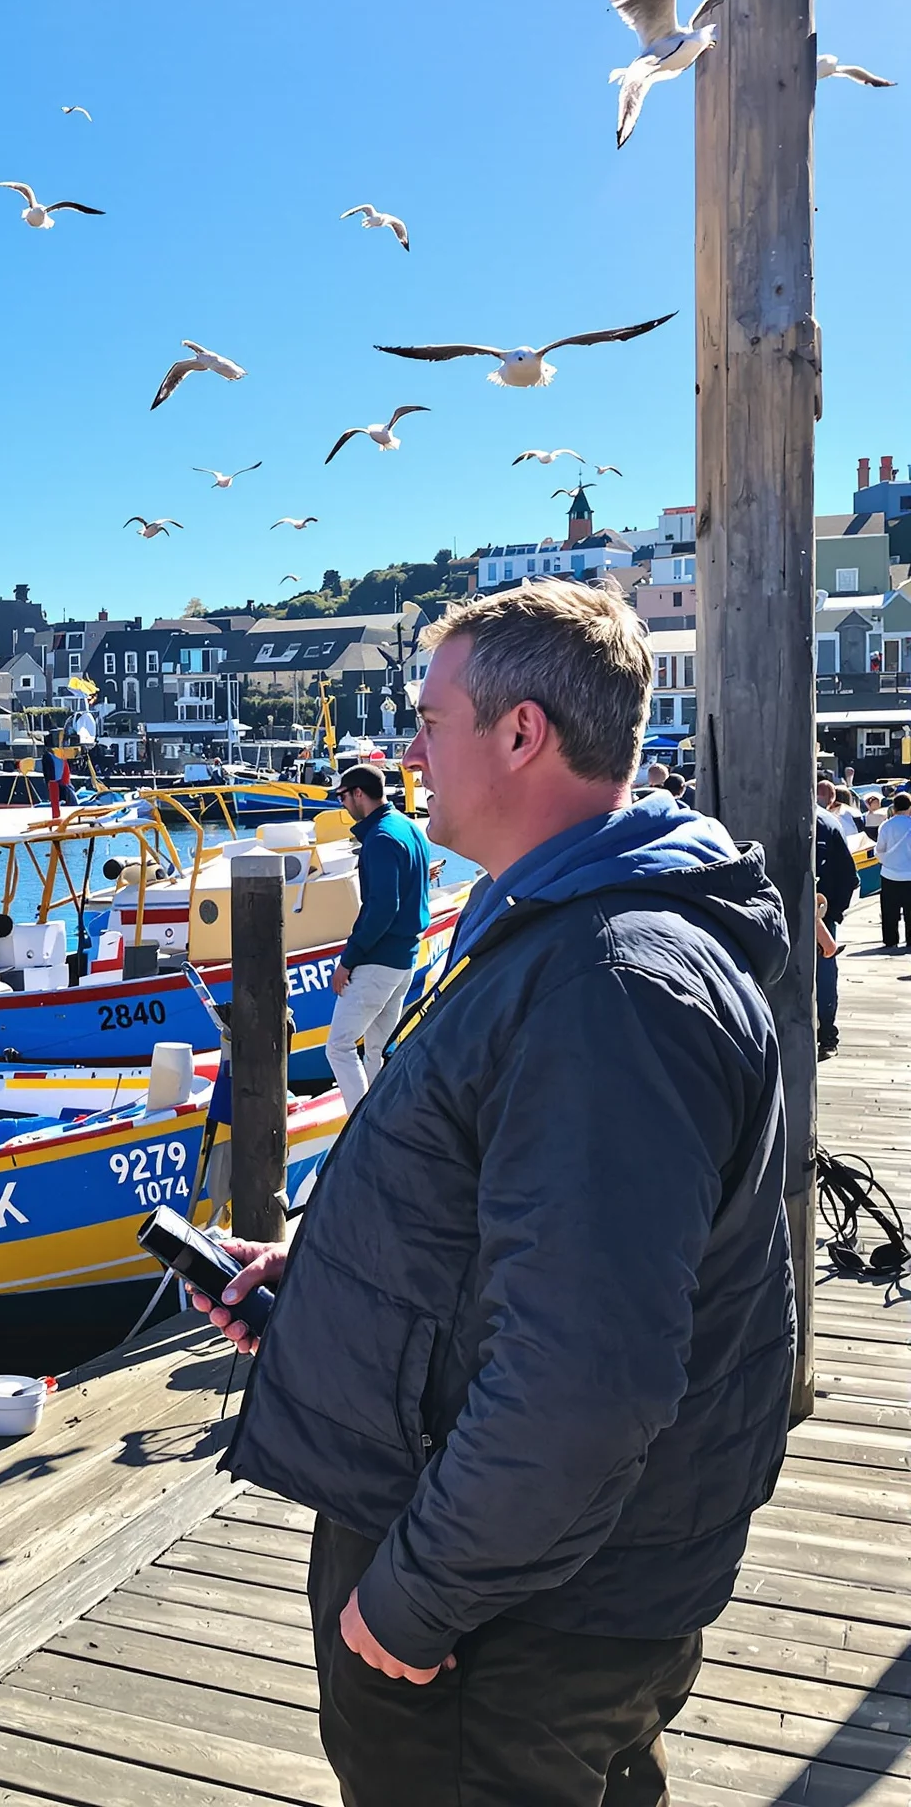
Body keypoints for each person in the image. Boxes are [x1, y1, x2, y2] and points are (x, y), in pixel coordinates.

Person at [195, 581, 794, 1807]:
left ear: (519, 734)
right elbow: (512, 1234)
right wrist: (315, 1293)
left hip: (510, 1625)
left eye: (427, 719)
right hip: (542, 1585)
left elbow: (588, 1373)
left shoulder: (607, 984)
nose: (407, 751)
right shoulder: (563, 934)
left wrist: (416, 1598)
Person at [324, 763, 431, 1114]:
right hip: (405, 961)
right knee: (377, 1049)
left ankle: (360, 1125)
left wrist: (348, 960)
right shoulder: (409, 828)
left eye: (343, 796)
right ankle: (386, 1119)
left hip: (378, 962)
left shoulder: (380, 839)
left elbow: (382, 908)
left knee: (338, 1047)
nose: (341, 804)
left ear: (358, 794)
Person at [817, 777, 860, 1059]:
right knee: (824, 976)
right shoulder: (829, 823)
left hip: (760, 915)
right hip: (819, 917)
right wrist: (833, 913)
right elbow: (850, 877)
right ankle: (827, 1035)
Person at [877, 792, 911, 951]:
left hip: (889, 873)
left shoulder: (886, 825)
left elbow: (880, 850)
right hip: (909, 874)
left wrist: (887, 862)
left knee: (889, 910)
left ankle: (890, 939)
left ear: (894, 807)